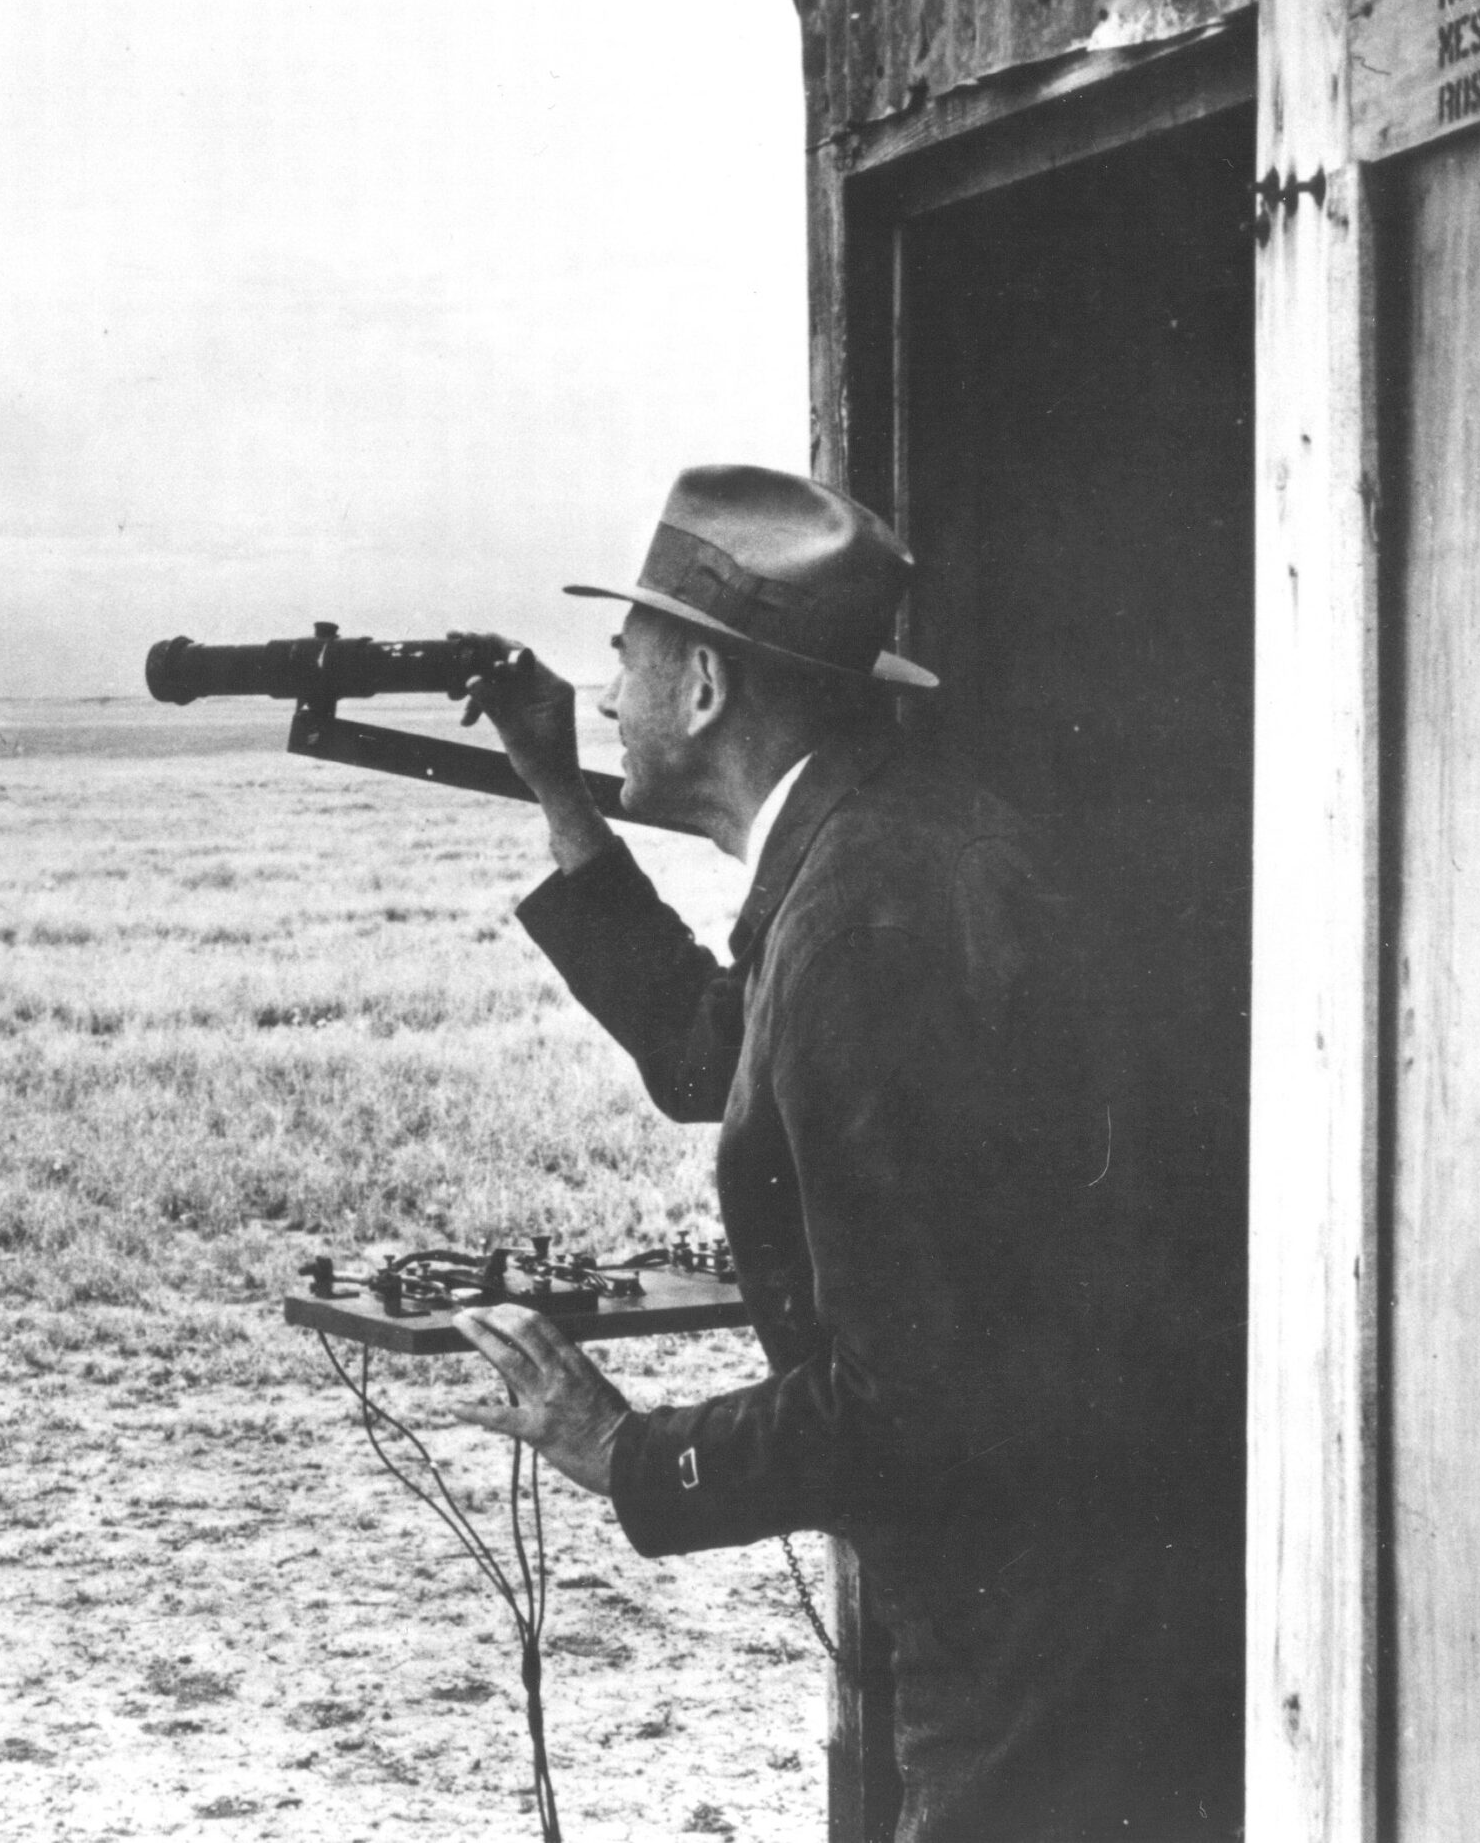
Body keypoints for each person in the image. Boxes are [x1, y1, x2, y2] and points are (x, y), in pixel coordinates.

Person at [447, 466, 1241, 1843]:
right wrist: (558, 799)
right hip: (1058, 1603)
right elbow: (715, 1054)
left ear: (703, 688)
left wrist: (631, 1452)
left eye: (622, 660)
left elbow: (904, 1406)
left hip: (1044, 1645)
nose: (606, 690)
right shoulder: (870, 844)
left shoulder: (869, 923)